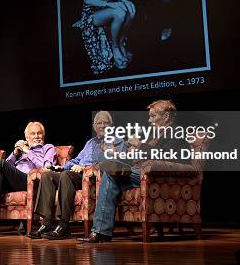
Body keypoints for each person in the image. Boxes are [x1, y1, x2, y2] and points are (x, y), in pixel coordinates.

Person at [78, 100, 188, 243]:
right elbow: (148, 154)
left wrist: (140, 145)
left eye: (153, 116)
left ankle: (100, 231)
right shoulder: (155, 135)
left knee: (112, 173)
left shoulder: (174, 133)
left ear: (166, 116)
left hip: (160, 177)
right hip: (142, 174)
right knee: (110, 175)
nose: (149, 120)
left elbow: (165, 156)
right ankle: (101, 232)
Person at [28, 111, 125, 240]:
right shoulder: (90, 143)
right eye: (99, 123)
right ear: (94, 126)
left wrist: (84, 168)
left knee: (66, 176)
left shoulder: (118, 142)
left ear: (111, 125)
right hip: (76, 174)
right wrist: (62, 167)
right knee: (48, 176)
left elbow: (113, 164)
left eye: (105, 123)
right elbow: (76, 160)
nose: (102, 126)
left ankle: (64, 225)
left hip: (92, 178)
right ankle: (47, 223)